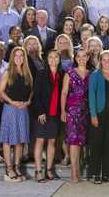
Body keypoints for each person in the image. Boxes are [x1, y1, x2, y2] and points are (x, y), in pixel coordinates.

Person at [0, 46, 32, 182]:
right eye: (16, 55)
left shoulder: (27, 73)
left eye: (21, 55)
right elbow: (1, 91)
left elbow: (31, 90)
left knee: (19, 140)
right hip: (11, 108)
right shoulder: (7, 72)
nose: (18, 58)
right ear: (12, 58)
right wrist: (12, 102)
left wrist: (28, 101)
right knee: (8, 140)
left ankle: (16, 167)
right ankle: (8, 169)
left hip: (23, 109)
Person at [88, 50, 109, 184]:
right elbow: (91, 96)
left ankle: (107, 174)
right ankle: (96, 174)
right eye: (104, 59)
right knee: (96, 143)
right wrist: (93, 115)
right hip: (99, 113)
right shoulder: (95, 75)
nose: (106, 62)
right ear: (100, 61)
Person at [61, 47, 92, 184]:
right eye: (78, 56)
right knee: (73, 141)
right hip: (72, 110)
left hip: (86, 111)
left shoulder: (91, 73)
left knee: (80, 142)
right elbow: (64, 92)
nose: (81, 58)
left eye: (84, 56)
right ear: (75, 58)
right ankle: (73, 173)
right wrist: (63, 111)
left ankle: (78, 172)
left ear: (88, 57)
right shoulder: (70, 72)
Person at [33, 49, 64, 182]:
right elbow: (36, 94)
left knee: (52, 142)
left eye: (56, 57)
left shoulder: (62, 74)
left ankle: (49, 170)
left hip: (55, 113)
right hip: (42, 113)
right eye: (50, 57)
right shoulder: (40, 73)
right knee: (40, 141)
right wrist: (40, 112)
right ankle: (38, 171)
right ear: (46, 59)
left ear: (59, 59)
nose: (53, 59)